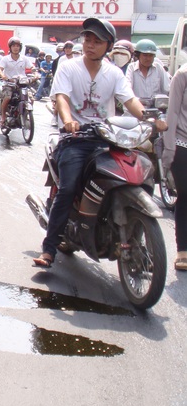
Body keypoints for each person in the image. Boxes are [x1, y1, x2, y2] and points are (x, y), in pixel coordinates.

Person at [32, 18, 168, 268]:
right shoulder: (68, 67)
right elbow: (61, 97)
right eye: (87, 40)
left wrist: (150, 118)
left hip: (108, 139)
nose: (90, 45)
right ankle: (49, 247)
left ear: (109, 46)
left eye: (97, 41)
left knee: (139, 170)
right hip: (76, 139)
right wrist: (68, 120)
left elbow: (130, 101)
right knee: (69, 187)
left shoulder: (114, 74)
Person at [162, 64, 187, 270]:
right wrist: (169, 151)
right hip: (182, 143)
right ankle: (183, 251)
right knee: (186, 196)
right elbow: (172, 113)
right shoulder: (183, 74)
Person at [0, 36, 29, 127]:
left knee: (31, 98)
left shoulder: (24, 59)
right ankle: (3, 116)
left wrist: (35, 73)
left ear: (20, 47)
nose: (16, 48)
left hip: (22, 84)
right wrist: (3, 76)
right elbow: (0, 69)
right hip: (9, 84)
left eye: (17, 46)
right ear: (10, 47)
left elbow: (32, 68)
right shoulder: (5, 59)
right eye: (14, 46)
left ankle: (25, 114)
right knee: (7, 97)